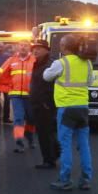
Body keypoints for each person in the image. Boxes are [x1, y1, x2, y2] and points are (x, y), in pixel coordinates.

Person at [43, 34, 93, 190]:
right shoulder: (88, 63)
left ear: (64, 47)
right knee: (84, 145)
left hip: (66, 109)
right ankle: (86, 179)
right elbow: (90, 82)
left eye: (61, 44)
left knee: (65, 145)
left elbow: (46, 77)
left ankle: (65, 179)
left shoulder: (61, 63)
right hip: (83, 108)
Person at [0, 41, 35, 153]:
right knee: (18, 118)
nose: (23, 47)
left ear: (29, 48)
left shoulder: (34, 60)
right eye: (21, 45)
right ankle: (19, 141)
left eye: (25, 45)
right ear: (17, 47)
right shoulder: (11, 60)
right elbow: (1, 72)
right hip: (16, 94)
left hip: (31, 95)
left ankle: (29, 136)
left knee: (31, 119)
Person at [29, 39, 58, 169]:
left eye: (39, 48)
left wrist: (47, 102)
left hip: (45, 104)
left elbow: (51, 86)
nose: (35, 50)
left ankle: (49, 160)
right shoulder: (38, 63)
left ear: (47, 50)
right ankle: (54, 153)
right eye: (34, 48)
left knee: (45, 133)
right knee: (46, 132)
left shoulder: (49, 64)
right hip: (38, 103)